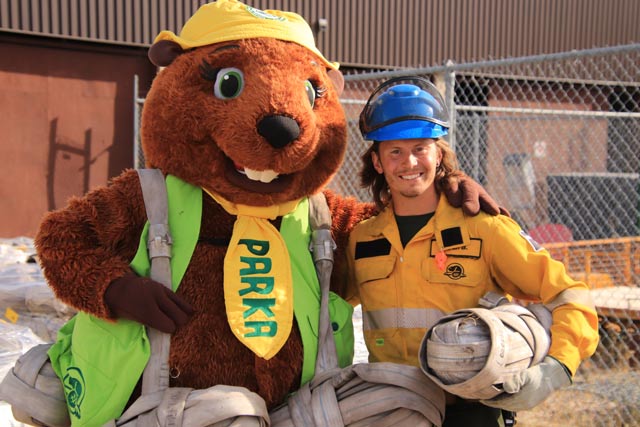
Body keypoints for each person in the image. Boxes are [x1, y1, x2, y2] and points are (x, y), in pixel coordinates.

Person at [345, 76, 599, 427]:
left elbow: (570, 294)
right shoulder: (362, 239)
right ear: (377, 162)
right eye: (395, 151)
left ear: (438, 152)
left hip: (470, 409)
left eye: (420, 147)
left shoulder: (483, 227)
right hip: (393, 410)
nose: (409, 163)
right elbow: (321, 300)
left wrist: (556, 369)